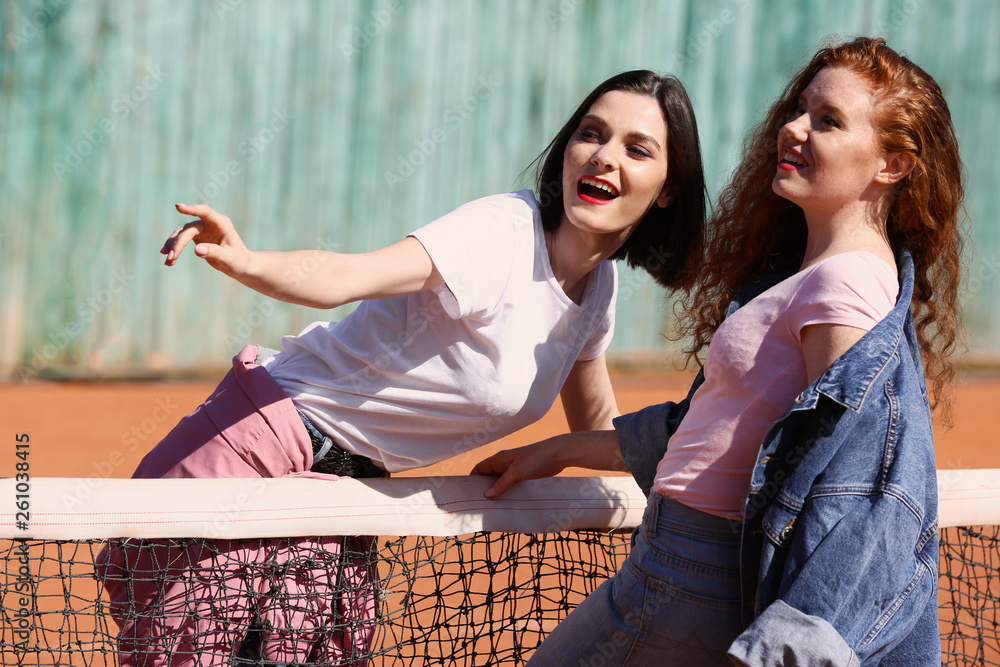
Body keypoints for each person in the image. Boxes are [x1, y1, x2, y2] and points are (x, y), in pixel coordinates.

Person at [95, 69, 708, 666]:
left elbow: (603, 426)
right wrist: (247, 260)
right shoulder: (503, 233)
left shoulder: (597, 289)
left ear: (668, 187)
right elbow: (345, 276)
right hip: (261, 444)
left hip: (345, 492)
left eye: (637, 148)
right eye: (592, 134)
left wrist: (656, 469)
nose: (603, 156)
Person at [474, 36, 964, 665]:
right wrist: (562, 448)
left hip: (688, 579)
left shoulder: (845, 284)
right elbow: (714, 430)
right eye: (801, 109)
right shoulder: (816, 276)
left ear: (891, 165)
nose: (794, 128)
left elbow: (859, 481)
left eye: (829, 121)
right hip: (679, 568)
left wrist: (789, 645)